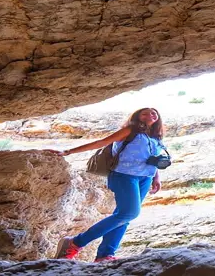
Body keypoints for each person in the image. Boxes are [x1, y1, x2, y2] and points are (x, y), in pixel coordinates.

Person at [53, 107, 164, 263]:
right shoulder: (130, 130)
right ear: (137, 117)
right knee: (129, 213)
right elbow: (102, 142)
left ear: (158, 118)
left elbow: (154, 158)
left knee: (123, 216)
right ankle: (75, 243)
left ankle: (105, 255)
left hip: (145, 178)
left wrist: (156, 177)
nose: (150, 115)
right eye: (144, 113)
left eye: (154, 113)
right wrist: (68, 151)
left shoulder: (155, 137)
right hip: (124, 176)